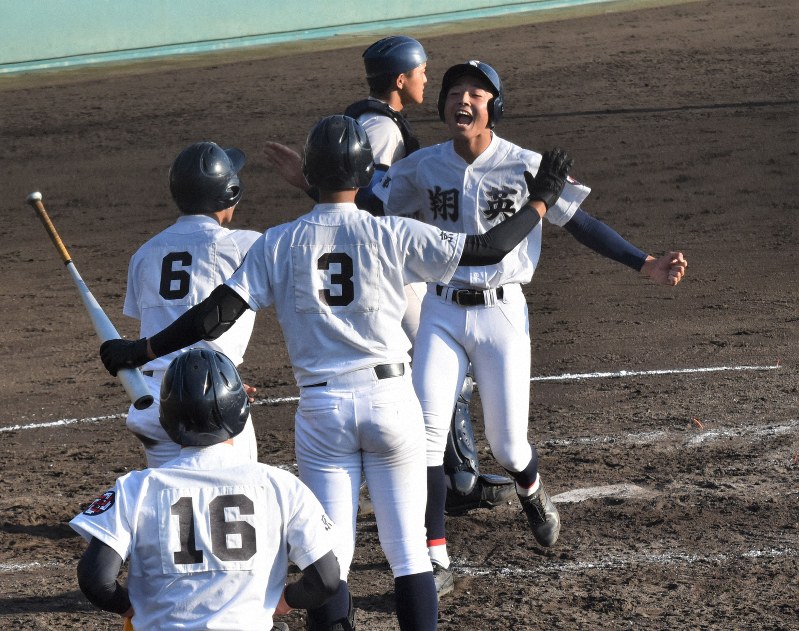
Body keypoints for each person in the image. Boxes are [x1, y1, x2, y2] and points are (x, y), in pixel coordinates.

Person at [99, 114, 574, 630]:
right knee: (409, 552)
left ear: (308, 172)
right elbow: (488, 249)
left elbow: (215, 315)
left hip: (322, 410)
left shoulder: (278, 242)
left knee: (331, 559)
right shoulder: (392, 232)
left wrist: (143, 349)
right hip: (391, 401)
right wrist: (540, 201)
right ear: (367, 173)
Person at [374, 60, 688, 593]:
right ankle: (435, 559)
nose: (462, 100)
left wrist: (646, 263)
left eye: (476, 93)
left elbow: (581, 223)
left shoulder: (525, 165)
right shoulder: (421, 168)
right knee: (426, 436)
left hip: (502, 313)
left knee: (507, 445)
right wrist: (317, 182)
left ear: (494, 106)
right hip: (440, 310)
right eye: (454, 92)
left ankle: (530, 487)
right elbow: (368, 209)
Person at [264, 36, 516, 525]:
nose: (427, 78)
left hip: (383, 267)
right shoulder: (380, 128)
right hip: (392, 270)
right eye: (421, 71)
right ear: (401, 79)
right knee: (441, 372)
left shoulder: (374, 121)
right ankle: (457, 480)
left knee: (437, 371)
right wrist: (309, 185)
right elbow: (365, 203)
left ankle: (453, 477)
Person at [70, 349, 341, 631]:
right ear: (241, 411)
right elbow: (326, 579)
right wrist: (285, 600)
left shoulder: (136, 488)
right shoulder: (281, 486)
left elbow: (95, 578)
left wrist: (129, 607)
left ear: (167, 419)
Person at [121, 141, 262, 468]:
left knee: (169, 493)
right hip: (214, 401)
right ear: (230, 192)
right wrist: (219, 379)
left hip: (156, 397)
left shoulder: (144, 253)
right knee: (233, 491)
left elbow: (158, 322)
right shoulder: (245, 244)